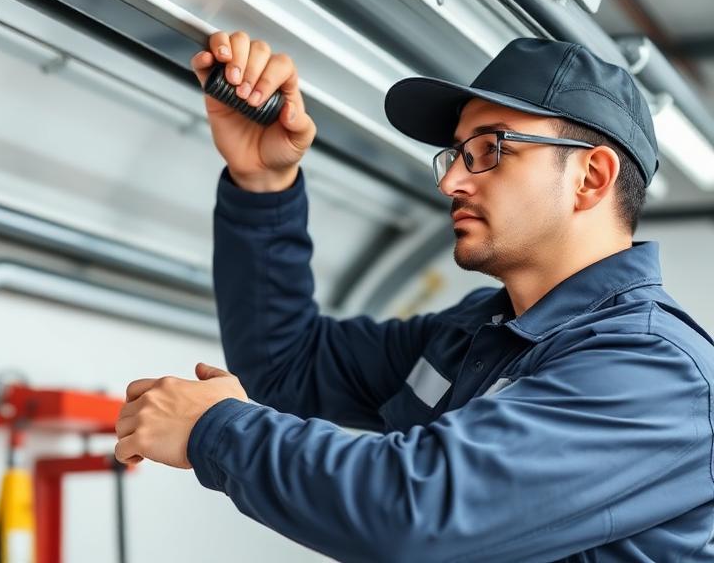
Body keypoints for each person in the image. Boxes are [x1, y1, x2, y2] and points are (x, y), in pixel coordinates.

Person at [114, 31, 714, 561]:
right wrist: (262, 183)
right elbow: (288, 367)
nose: (452, 180)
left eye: (487, 150)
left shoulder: (653, 370)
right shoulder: (472, 335)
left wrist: (215, 431)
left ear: (591, 177)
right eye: (455, 154)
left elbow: (415, 513)